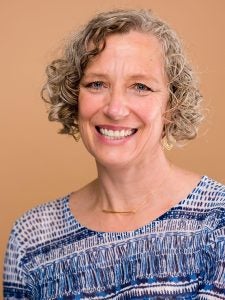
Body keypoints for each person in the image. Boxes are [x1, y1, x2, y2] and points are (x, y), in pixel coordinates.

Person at [3, 9, 225, 299]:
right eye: (97, 84)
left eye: (140, 87)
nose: (115, 109)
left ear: (172, 106)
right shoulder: (32, 239)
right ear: (74, 96)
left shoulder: (216, 223)